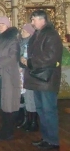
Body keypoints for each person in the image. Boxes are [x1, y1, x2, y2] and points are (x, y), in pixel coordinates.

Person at [21, 10, 63, 149]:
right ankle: (46, 138)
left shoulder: (51, 35)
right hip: (38, 79)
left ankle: (53, 141)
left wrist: (30, 62)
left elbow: (51, 57)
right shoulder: (38, 34)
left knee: (48, 111)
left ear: (42, 19)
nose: (32, 23)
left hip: (47, 79)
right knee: (41, 110)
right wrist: (25, 60)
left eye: (33, 20)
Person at [0, 16, 20, 141]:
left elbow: (13, 57)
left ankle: (8, 131)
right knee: (3, 104)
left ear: (8, 26)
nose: (0, 27)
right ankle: (5, 130)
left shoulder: (13, 39)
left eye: (3, 24)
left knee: (10, 104)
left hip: (9, 76)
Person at [17, 24, 38, 132]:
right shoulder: (21, 43)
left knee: (30, 97)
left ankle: (33, 122)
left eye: (24, 31)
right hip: (21, 73)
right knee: (24, 97)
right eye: (21, 31)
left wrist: (23, 62)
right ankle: (26, 119)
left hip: (29, 74)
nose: (21, 33)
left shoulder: (32, 43)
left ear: (30, 32)